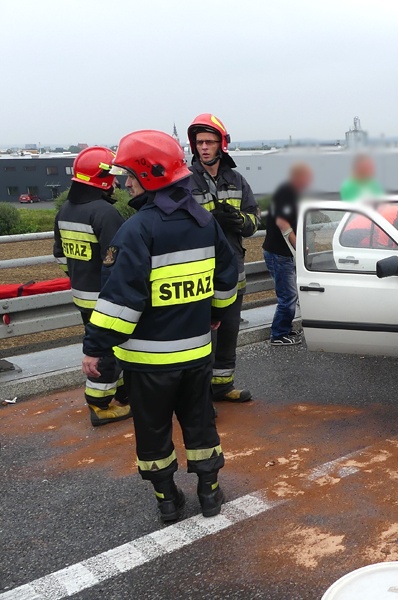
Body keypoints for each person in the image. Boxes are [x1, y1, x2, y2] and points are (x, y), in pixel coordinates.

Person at [82, 130, 237, 522]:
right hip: (199, 354)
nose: (125, 184)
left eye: (129, 176)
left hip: (148, 363)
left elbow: (120, 302)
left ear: (148, 176)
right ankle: (210, 493)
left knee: (153, 432)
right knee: (200, 424)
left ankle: (167, 499)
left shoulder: (136, 230)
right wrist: (214, 315)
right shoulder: (205, 222)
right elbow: (226, 279)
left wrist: (97, 348)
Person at [53, 146, 130, 426]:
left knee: (109, 347)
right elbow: (118, 262)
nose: (118, 183)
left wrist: (78, 276)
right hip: (105, 298)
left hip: (82, 296)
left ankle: (122, 392)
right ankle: (99, 405)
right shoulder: (105, 213)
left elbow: (60, 254)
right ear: (103, 178)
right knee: (108, 351)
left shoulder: (65, 210)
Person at [188, 113, 259, 403]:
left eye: (209, 142)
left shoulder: (237, 179)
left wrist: (238, 221)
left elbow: (254, 222)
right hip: (199, 272)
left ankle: (222, 386)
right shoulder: (185, 181)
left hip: (233, 270)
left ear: (222, 145)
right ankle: (200, 393)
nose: (204, 147)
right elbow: (175, 226)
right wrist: (207, 222)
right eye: (199, 142)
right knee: (203, 336)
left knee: (229, 330)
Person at [263, 163, 311, 345]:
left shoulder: (292, 193)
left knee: (289, 294)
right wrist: (297, 245)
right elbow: (282, 222)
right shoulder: (287, 192)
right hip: (278, 253)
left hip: (282, 253)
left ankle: (286, 329)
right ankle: (278, 334)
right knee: (288, 296)